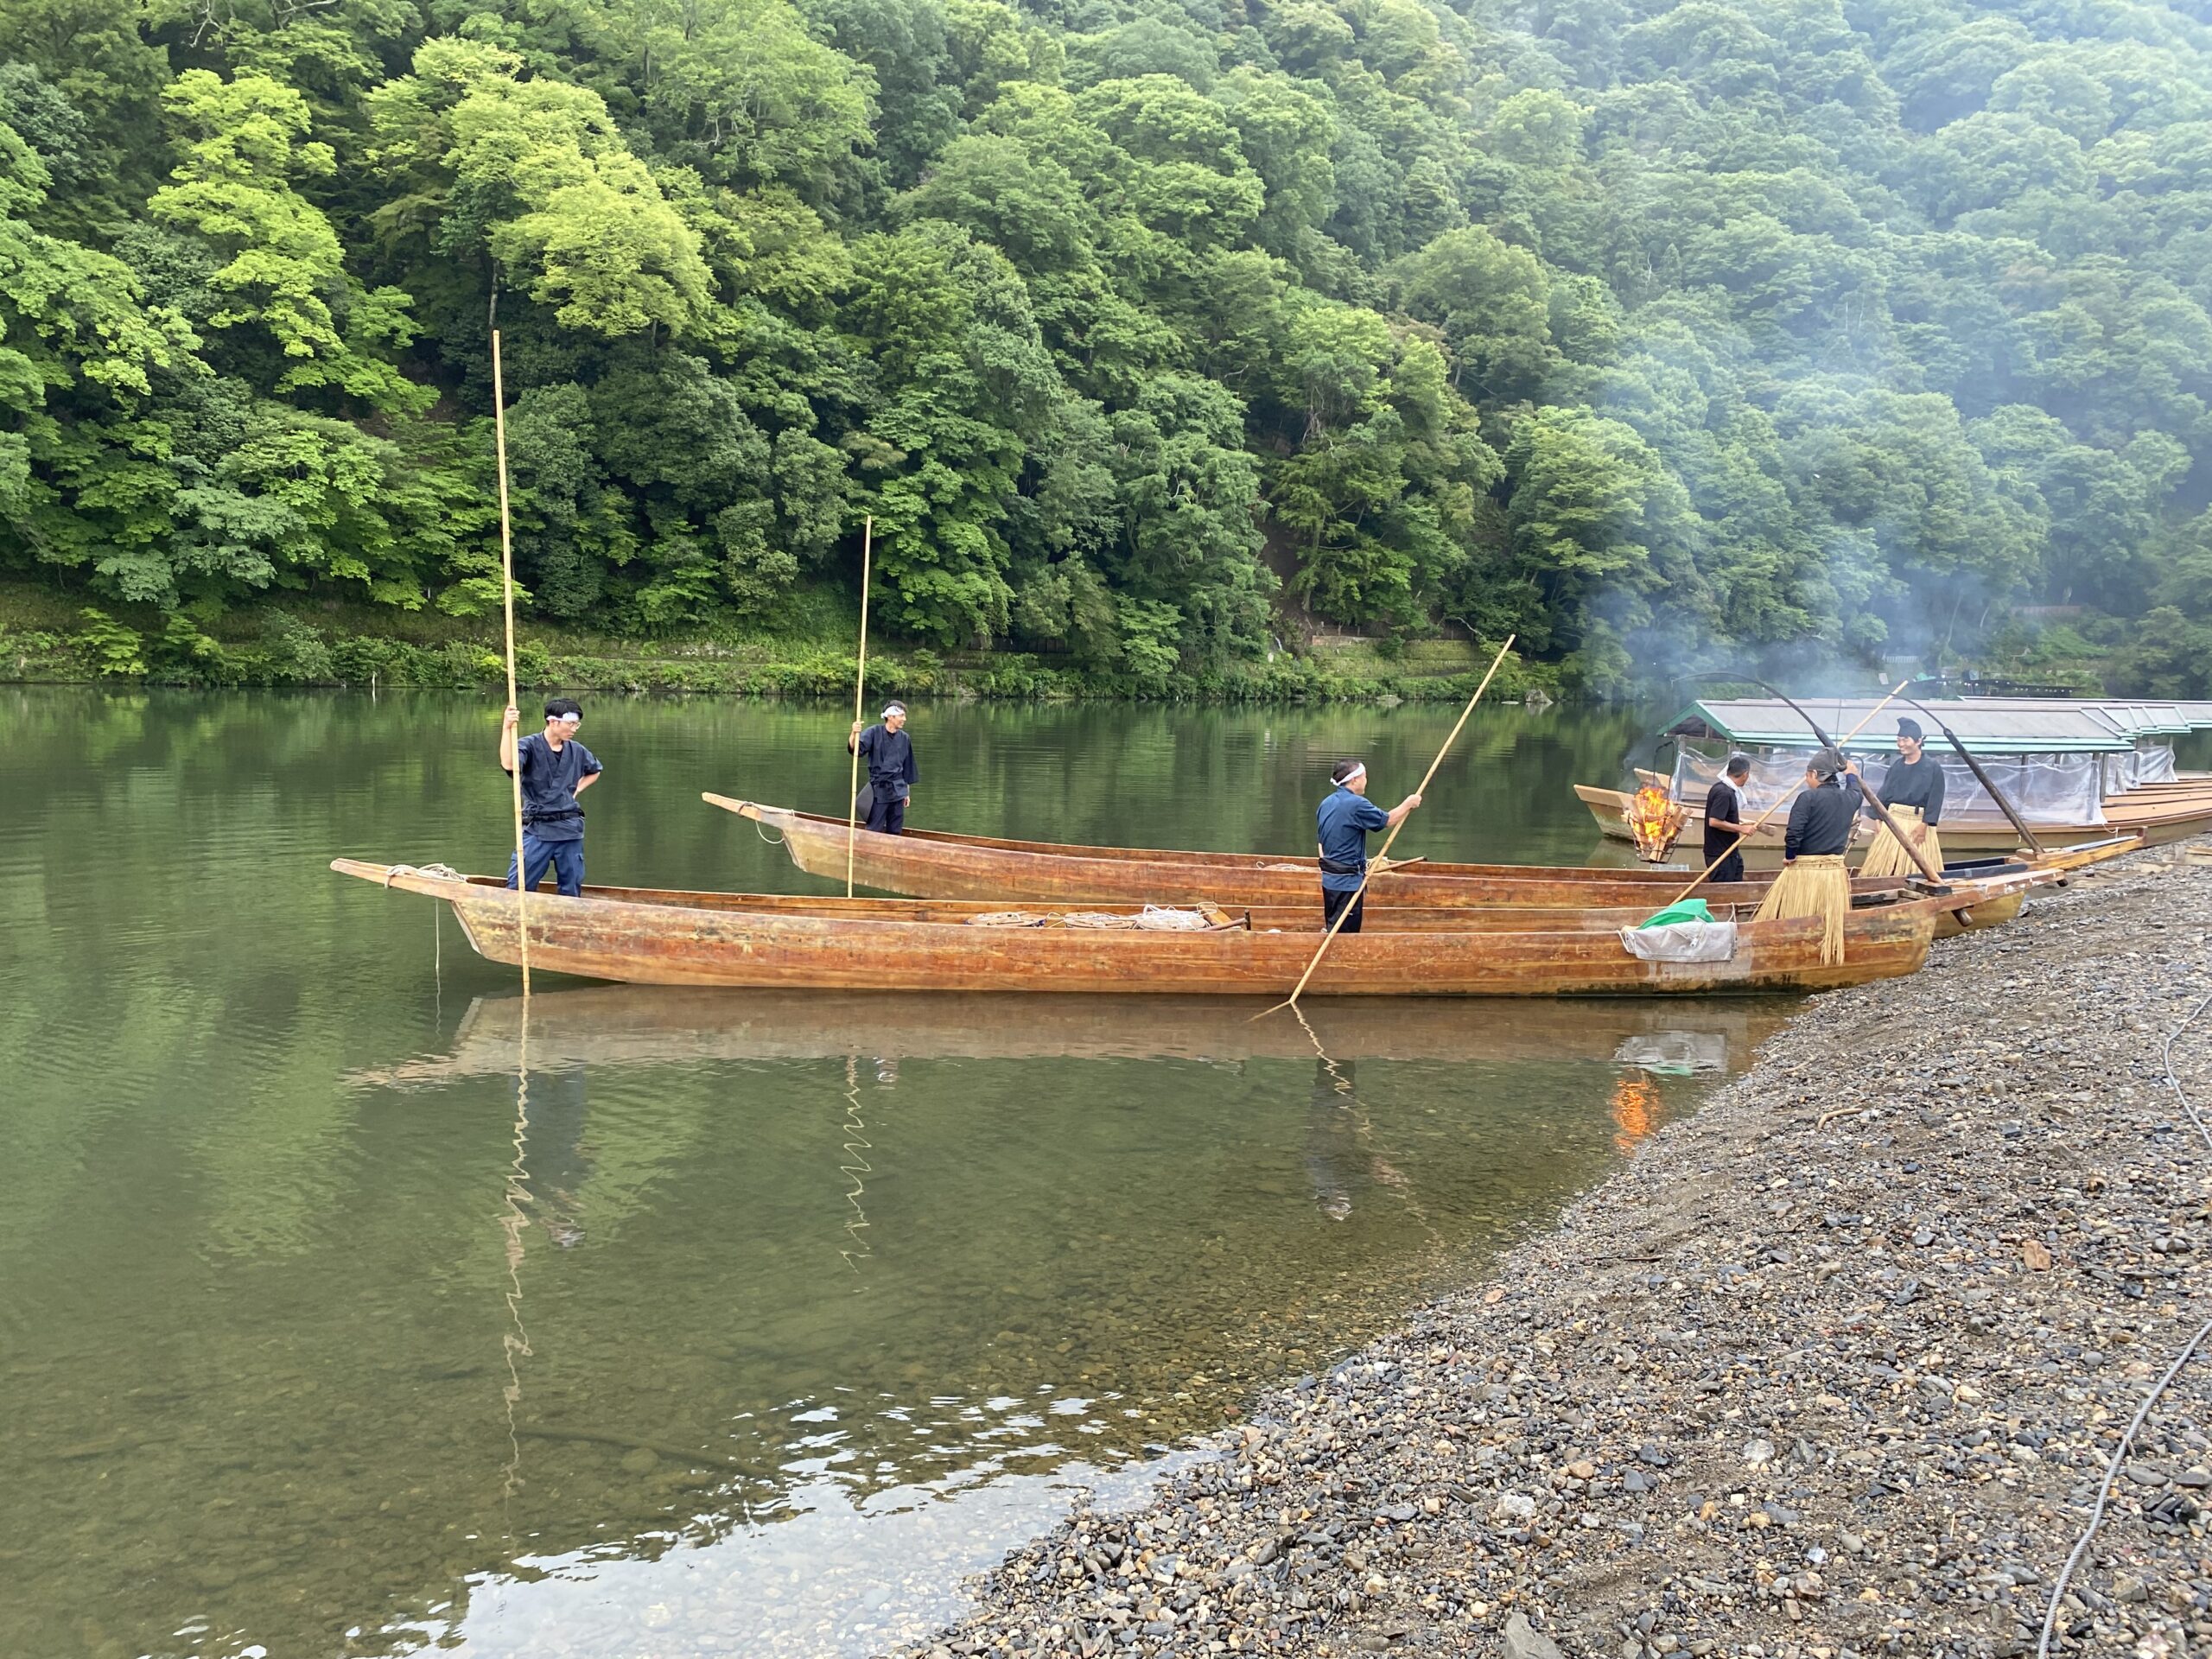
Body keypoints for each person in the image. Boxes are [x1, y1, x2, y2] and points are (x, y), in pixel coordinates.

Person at [1751, 747, 1855, 964]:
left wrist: (1790, 856)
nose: (1807, 780)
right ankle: (1824, 954)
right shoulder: (1850, 798)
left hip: (1805, 870)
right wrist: (1852, 775)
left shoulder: (1808, 798)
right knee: (1827, 919)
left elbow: (1794, 833)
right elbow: (1857, 790)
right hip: (1834, 872)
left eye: (1808, 775)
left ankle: (1791, 954)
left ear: (1815, 774)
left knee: (1792, 917)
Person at [499, 697, 602, 897]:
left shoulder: (577, 750)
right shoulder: (528, 745)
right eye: (571, 724)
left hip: (570, 828)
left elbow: (595, 770)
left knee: (571, 886)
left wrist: (577, 790)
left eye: (577, 724)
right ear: (553, 721)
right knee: (520, 884)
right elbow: (510, 764)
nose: (574, 729)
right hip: (538, 828)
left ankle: (568, 914)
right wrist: (506, 728)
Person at [1315, 759, 1421, 935]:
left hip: (1329, 881)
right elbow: (1388, 820)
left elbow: (1321, 844)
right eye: (1364, 776)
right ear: (1354, 780)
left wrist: (1329, 869)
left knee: (1335, 929)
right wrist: (1409, 803)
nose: (1366, 780)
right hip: (1347, 884)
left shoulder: (1326, 803)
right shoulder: (1357, 804)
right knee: (1346, 936)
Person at [1860, 717, 1948, 879]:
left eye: (1905, 740)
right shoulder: (1896, 766)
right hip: (1893, 822)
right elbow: (1884, 794)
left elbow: (1936, 798)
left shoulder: (1932, 767)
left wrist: (1925, 824)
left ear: (1918, 741)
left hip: (1917, 823)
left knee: (1917, 869)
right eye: (1898, 740)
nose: (1901, 744)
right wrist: (1878, 819)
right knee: (1883, 868)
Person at [849, 702, 918, 836]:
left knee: (895, 830)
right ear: (890, 717)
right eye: (901, 716)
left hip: (898, 790)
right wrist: (853, 733)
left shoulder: (905, 738)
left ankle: (892, 847)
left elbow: (907, 767)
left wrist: (906, 792)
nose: (904, 719)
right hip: (879, 789)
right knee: (874, 828)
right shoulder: (874, 732)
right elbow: (856, 750)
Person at [1702, 753, 1754, 885]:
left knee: (1736, 883)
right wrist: (1741, 828)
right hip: (1720, 853)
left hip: (1730, 851)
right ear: (1745, 774)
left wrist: (1742, 822)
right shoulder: (1724, 793)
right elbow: (1714, 821)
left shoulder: (1725, 790)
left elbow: (1725, 815)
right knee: (1724, 889)